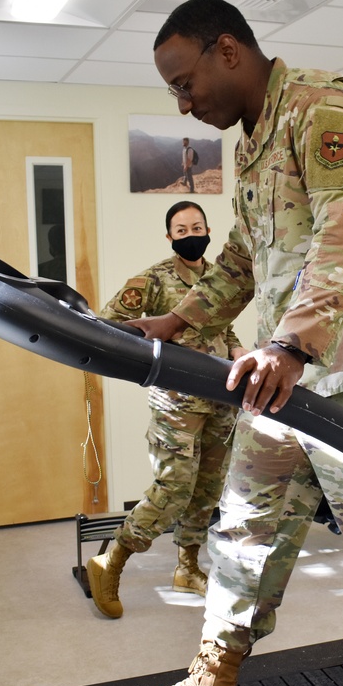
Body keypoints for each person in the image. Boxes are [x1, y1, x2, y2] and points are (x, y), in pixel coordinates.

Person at [112, 0, 343, 686]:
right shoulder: (250, 145)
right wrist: (180, 319)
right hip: (284, 377)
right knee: (244, 523)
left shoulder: (322, 108)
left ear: (228, 52)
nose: (183, 104)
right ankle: (213, 684)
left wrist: (293, 343)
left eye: (184, 82)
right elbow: (245, 254)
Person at [87, 200, 247, 618]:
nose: (191, 233)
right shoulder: (154, 279)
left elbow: (224, 326)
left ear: (209, 230)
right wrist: (159, 357)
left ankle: (187, 568)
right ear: (170, 237)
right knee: (174, 486)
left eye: (198, 226)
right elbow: (110, 323)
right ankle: (110, 562)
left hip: (221, 397)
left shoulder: (218, 278)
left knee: (207, 488)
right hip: (176, 401)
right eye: (182, 229)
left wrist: (236, 348)